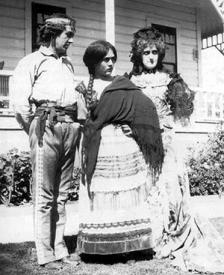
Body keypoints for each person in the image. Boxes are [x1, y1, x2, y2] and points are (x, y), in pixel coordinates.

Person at [129, 26, 224, 273]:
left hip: (166, 142)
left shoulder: (170, 80)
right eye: (146, 52)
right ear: (138, 55)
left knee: (170, 189)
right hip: (139, 144)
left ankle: (171, 235)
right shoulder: (130, 82)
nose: (150, 57)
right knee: (146, 189)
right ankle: (148, 239)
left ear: (160, 54)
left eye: (154, 52)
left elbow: (182, 115)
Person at [11, 14, 86, 270]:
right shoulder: (30, 62)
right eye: (68, 35)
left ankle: (60, 248)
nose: (72, 40)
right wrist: (34, 129)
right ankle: (45, 253)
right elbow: (20, 106)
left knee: (62, 194)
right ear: (53, 34)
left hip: (69, 127)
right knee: (44, 195)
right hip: (45, 127)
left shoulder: (67, 64)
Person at [75, 40, 164, 256]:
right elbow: (83, 123)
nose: (110, 63)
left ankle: (131, 246)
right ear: (93, 62)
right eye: (105, 59)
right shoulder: (82, 88)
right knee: (105, 192)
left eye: (113, 59)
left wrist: (133, 127)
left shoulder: (122, 83)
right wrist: (81, 154)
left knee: (126, 192)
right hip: (100, 145)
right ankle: (106, 246)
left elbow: (144, 108)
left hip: (123, 144)